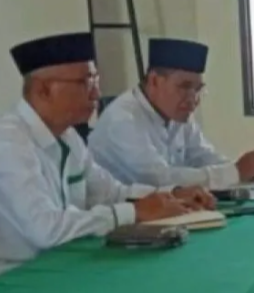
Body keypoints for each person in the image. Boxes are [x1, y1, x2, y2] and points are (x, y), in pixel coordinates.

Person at [0, 33, 213, 273]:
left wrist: (171, 195)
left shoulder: (68, 136)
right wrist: (133, 212)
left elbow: (111, 192)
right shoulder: (9, 142)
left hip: (64, 265)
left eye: (96, 80)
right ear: (43, 90)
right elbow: (45, 229)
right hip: (17, 278)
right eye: (85, 83)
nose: (96, 94)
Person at [90, 38, 254, 189]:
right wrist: (234, 172)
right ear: (154, 81)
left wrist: (244, 169)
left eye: (197, 89)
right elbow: (160, 180)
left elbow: (202, 156)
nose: (193, 99)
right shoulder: (123, 119)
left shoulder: (177, 113)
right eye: (184, 87)